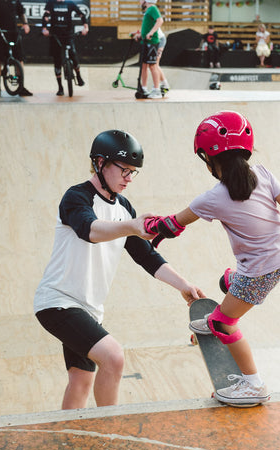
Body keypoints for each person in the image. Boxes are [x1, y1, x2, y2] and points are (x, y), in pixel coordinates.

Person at [144, 110, 280, 406]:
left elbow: (173, 223)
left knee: (222, 324)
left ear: (208, 158)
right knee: (229, 281)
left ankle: (254, 385)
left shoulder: (212, 198)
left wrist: (150, 228)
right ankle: (232, 289)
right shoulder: (263, 174)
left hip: (260, 271)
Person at [34, 129, 204, 410]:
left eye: (133, 172)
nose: (128, 178)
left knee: (81, 380)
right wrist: (133, 226)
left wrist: (183, 285)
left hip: (88, 309)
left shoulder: (123, 207)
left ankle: (66, 441)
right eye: (124, 170)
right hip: (57, 303)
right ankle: (111, 431)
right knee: (113, 357)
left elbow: (146, 256)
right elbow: (90, 230)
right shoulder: (76, 198)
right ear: (100, 163)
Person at [42, 0, 89, 96]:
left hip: (68, 34)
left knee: (73, 55)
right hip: (55, 35)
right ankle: (60, 87)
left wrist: (86, 27)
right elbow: (45, 17)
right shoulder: (51, 3)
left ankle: (79, 76)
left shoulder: (70, 3)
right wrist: (44, 28)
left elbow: (81, 14)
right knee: (57, 60)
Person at [0, 0, 33, 97]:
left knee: (20, 59)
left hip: (13, 33)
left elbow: (21, 12)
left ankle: (21, 87)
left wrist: (25, 23)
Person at [133, 0, 164, 99]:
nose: (139, 1)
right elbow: (147, 26)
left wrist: (151, 33)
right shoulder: (148, 10)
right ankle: (144, 87)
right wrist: (140, 34)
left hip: (152, 42)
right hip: (145, 42)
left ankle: (157, 90)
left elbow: (160, 20)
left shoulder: (153, 8)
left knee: (152, 66)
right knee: (144, 66)